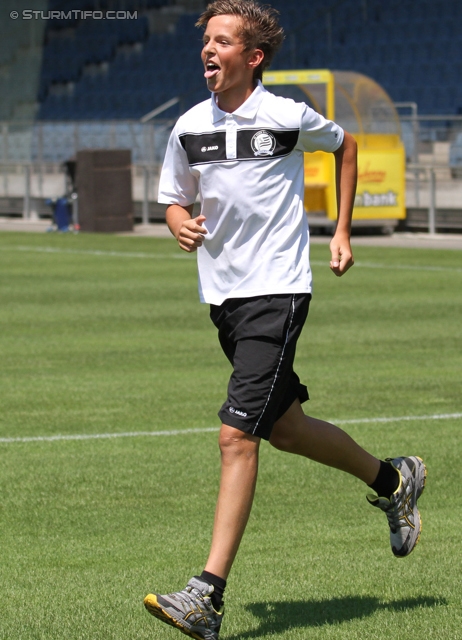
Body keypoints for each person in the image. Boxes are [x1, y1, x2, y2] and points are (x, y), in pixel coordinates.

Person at [143, 2, 427, 638]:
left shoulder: (286, 116)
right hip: (225, 300)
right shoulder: (188, 126)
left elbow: (347, 146)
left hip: (279, 290)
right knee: (288, 429)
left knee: (235, 435)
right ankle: (394, 480)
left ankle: (205, 596)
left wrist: (343, 231)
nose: (207, 52)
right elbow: (172, 195)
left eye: (222, 42)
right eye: (206, 41)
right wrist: (177, 224)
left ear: (253, 58)